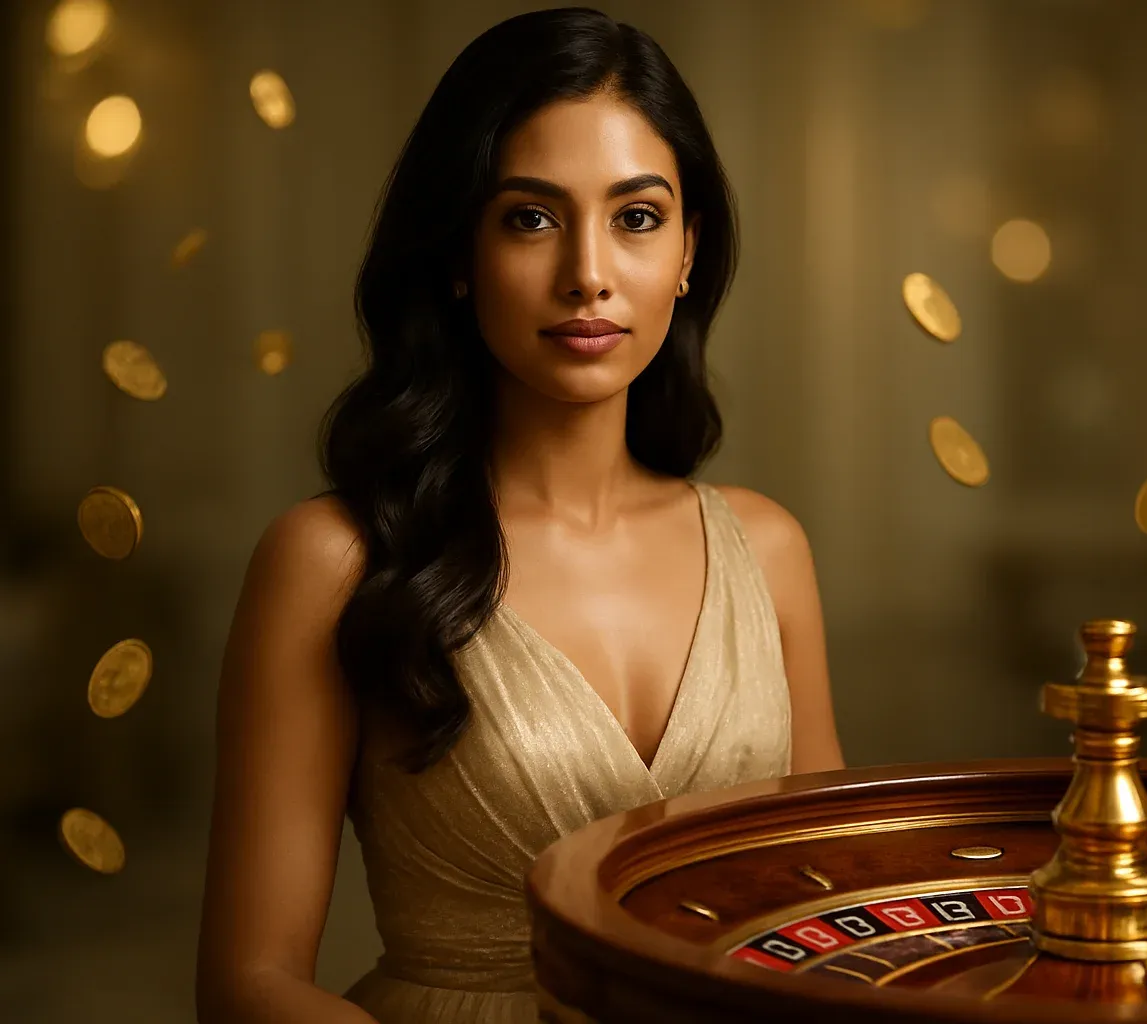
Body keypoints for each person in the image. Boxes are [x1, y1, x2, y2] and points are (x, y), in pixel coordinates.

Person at [194, 8, 844, 1022]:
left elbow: (832, 920)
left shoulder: (767, 550)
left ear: (687, 250)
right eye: (531, 217)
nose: (588, 272)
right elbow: (250, 983)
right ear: (460, 252)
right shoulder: (332, 560)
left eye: (636, 217)